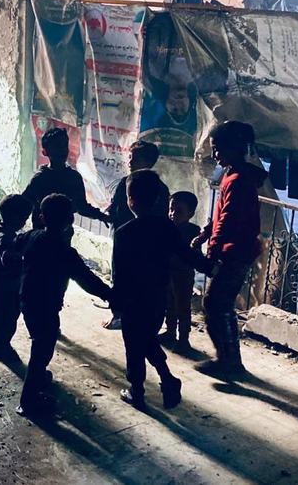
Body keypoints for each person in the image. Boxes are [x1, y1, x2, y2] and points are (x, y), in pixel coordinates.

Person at [112, 171, 207, 411]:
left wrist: (116, 303)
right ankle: (168, 380)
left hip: (133, 300)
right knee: (146, 340)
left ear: (130, 200)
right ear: (157, 199)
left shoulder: (124, 232)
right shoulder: (166, 227)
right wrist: (212, 267)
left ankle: (138, 390)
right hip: (157, 298)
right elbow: (187, 254)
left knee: (135, 345)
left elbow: (119, 273)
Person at [14, 194, 113, 416]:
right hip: (46, 306)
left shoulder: (32, 236)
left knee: (40, 343)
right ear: (71, 219)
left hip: (27, 301)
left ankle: (39, 378)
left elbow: (14, 246)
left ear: (41, 217)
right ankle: (28, 402)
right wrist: (110, 295)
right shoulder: (65, 252)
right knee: (41, 350)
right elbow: (87, 279)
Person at [193, 121, 267, 376]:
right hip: (239, 249)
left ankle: (228, 361)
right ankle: (230, 359)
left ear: (234, 148)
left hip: (234, 251)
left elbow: (227, 220)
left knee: (214, 304)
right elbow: (222, 214)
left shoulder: (237, 180)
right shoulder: (236, 176)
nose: (215, 155)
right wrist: (206, 232)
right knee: (220, 305)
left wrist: (212, 251)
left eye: (218, 149)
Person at [102, 140, 167, 331]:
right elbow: (115, 206)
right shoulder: (128, 182)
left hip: (137, 240)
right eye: (130, 158)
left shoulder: (155, 188)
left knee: (127, 276)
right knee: (122, 275)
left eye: (135, 158)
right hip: (126, 237)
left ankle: (122, 314)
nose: (130, 162)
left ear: (149, 162)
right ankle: (119, 314)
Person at [22, 127, 110, 227]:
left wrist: (101, 216)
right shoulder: (40, 179)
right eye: (57, 146)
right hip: (51, 237)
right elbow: (24, 204)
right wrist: (101, 216)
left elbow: (81, 206)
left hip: (56, 237)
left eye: (64, 145)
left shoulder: (73, 178)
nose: (62, 150)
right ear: (45, 152)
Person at [0, 194, 33, 358]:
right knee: (8, 319)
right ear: (14, 217)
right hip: (7, 286)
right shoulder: (5, 238)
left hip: (0, 284)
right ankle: (2, 348)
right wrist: (24, 260)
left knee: (1, 315)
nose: (25, 222)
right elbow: (7, 258)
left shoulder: (0, 228)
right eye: (24, 218)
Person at [161, 191, 202, 348]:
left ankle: (184, 338)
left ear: (190, 214)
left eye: (179, 211)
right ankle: (170, 331)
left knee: (182, 306)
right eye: (171, 209)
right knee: (169, 303)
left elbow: (193, 254)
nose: (172, 214)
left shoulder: (193, 231)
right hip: (167, 272)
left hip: (183, 274)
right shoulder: (166, 226)